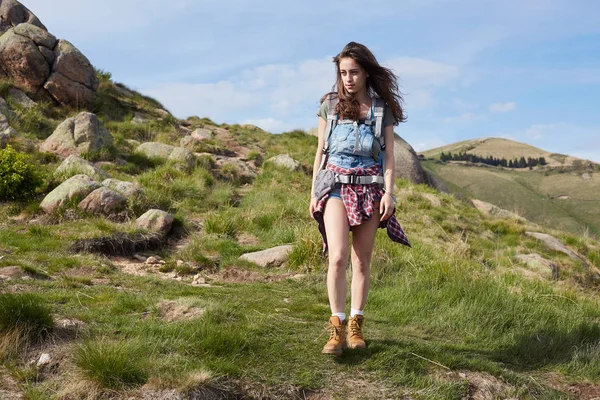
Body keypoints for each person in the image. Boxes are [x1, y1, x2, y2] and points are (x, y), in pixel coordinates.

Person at [310, 41, 411, 356]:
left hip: (369, 190)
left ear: (366, 72)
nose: (348, 79)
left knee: (361, 262)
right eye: (343, 73)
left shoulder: (382, 111)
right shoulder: (329, 104)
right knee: (338, 257)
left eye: (354, 72)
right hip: (336, 188)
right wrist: (314, 191)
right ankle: (336, 329)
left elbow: (390, 157)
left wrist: (389, 194)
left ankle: (356, 324)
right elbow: (320, 152)